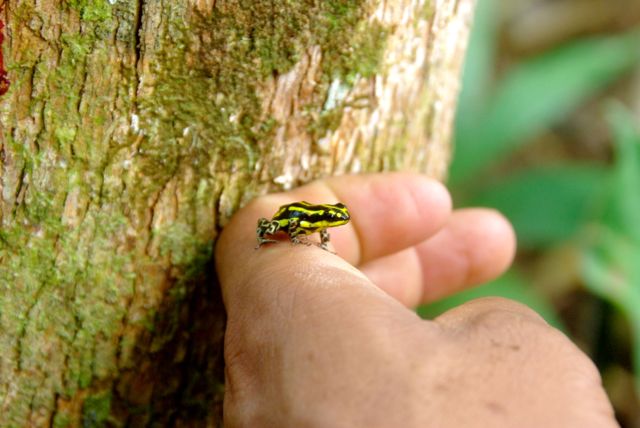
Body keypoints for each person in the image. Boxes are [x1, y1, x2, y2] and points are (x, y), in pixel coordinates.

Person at [215, 173, 617, 427]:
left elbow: (323, 229)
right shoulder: (307, 219)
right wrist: (283, 249)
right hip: (286, 223)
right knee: (276, 225)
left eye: (338, 218)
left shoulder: (326, 221)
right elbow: (300, 222)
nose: (338, 221)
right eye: (334, 219)